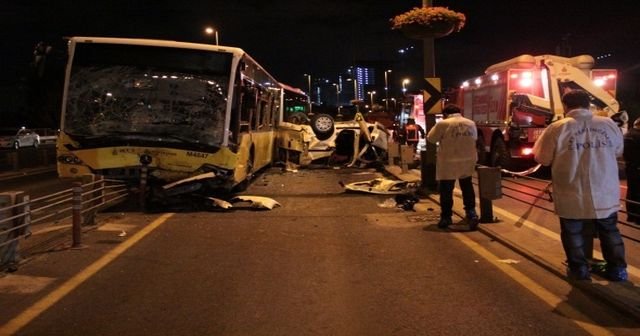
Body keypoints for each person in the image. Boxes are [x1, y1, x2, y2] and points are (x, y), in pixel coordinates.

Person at [533, 89, 627, 281]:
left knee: (572, 230)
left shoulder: (557, 128)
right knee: (609, 229)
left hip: (571, 189)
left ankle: (579, 270)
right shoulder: (608, 124)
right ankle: (618, 270)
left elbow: (542, 158)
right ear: (588, 104)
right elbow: (618, 150)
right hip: (604, 188)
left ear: (566, 106)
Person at [426, 104, 479, 230]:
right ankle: (471, 213)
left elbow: (431, 139)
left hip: (448, 162)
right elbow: (475, 138)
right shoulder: (471, 123)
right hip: (467, 160)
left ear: (445, 114)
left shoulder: (443, 124)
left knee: (446, 190)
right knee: (467, 187)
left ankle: (446, 217)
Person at [624, 117, 640, 223]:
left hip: (630, 166)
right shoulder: (638, 136)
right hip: (638, 166)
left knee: (631, 191)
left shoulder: (628, 134)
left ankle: (631, 216)